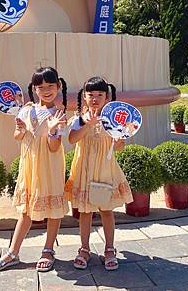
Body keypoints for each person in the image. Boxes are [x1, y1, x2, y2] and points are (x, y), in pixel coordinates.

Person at [0, 66, 69, 272]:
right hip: (29, 165)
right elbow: (18, 136)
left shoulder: (59, 115)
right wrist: (20, 129)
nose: (46, 90)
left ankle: (48, 250)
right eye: (40, 86)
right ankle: (13, 252)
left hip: (50, 166)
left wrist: (52, 131)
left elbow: (54, 148)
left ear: (58, 86)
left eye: (50, 85)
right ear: (34, 89)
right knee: (26, 210)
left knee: (53, 209)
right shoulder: (25, 109)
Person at [65, 76, 133, 271]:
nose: (95, 98)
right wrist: (87, 124)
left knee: (106, 210)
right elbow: (72, 139)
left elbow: (119, 147)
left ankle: (109, 249)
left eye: (99, 95)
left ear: (107, 97)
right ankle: (84, 249)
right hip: (84, 171)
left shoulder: (112, 120)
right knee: (85, 211)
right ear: (84, 96)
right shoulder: (78, 118)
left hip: (104, 171)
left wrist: (120, 140)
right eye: (91, 94)